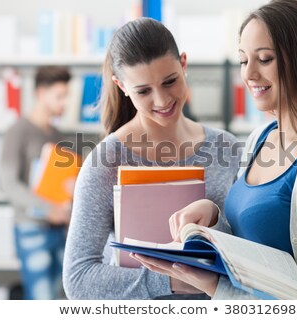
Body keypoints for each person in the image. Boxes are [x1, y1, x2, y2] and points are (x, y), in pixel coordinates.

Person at [132, 0, 297, 300]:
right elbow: (249, 246)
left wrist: (213, 286)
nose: (249, 74)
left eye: (265, 59)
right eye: (244, 60)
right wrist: (214, 217)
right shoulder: (260, 138)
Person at [62, 17, 241, 300]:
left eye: (170, 81)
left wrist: (215, 220)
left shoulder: (227, 148)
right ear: (121, 85)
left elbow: (246, 249)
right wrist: (172, 281)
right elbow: (78, 278)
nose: (161, 100)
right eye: (143, 91)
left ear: (184, 64)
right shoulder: (106, 160)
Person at [0, 66, 73, 299]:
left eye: (67, 96)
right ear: (41, 94)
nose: (65, 103)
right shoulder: (18, 131)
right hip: (32, 229)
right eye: (59, 96)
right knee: (41, 300)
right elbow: (9, 184)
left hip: (60, 229)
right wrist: (47, 209)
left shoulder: (58, 136)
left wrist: (71, 188)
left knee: (60, 297)